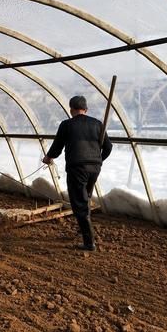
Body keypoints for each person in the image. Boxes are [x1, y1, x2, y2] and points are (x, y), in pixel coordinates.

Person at [43, 95, 113, 251]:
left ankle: (89, 243)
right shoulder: (97, 124)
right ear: (86, 109)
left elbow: (57, 146)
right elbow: (108, 147)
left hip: (77, 168)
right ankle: (82, 230)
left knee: (79, 203)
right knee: (85, 199)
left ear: (71, 109)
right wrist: (98, 160)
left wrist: (48, 157)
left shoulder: (67, 125)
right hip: (94, 168)